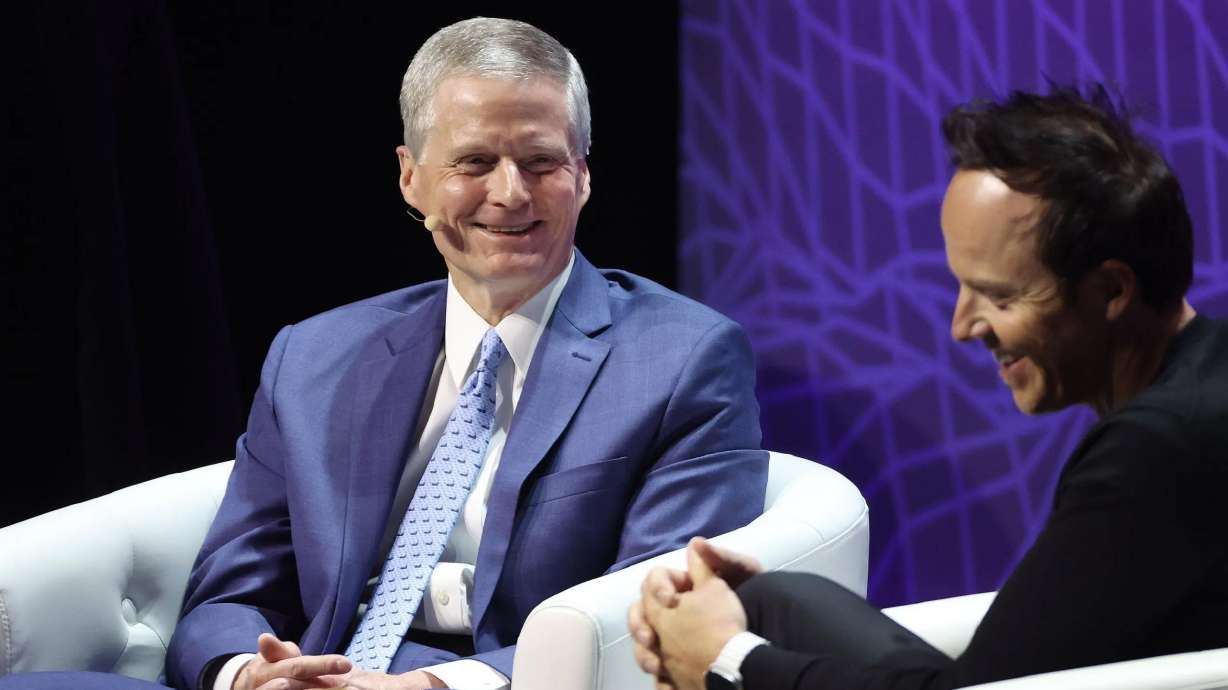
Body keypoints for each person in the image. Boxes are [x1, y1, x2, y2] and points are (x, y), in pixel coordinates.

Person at [1, 17, 766, 690]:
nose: (510, 193)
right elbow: (230, 591)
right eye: (474, 163)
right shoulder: (315, 357)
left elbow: (655, 617)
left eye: (541, 163)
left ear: (584, 176)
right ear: (411, 177)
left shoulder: (683, 361)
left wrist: (432, 684)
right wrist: (248, 673)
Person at [629, 84, 1228, 690]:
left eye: (999, 296)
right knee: (769, 601)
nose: (962, 327)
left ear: (1112, 291)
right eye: (962, 287)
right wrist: (749, 622)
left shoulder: (1155, 455)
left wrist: (728, 661)